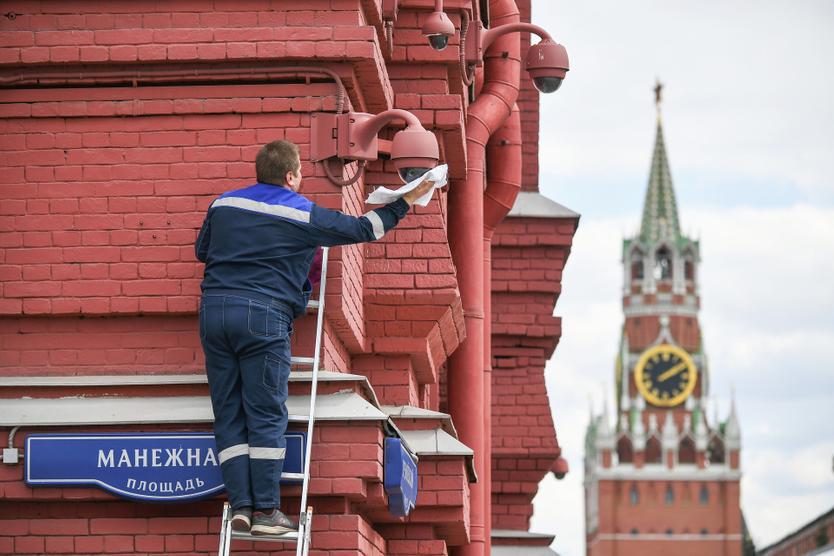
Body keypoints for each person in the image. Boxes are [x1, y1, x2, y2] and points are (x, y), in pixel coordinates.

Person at [195, 140, 435, 535]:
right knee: (265, 412)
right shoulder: (301, 211)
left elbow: (203, 251)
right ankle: (266, 512)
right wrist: (405, 200)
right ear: (290, 176)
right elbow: (364, 228)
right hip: (264, 316)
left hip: (215, 314)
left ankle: (241, 506)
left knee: (229, 412)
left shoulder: (223, 204)